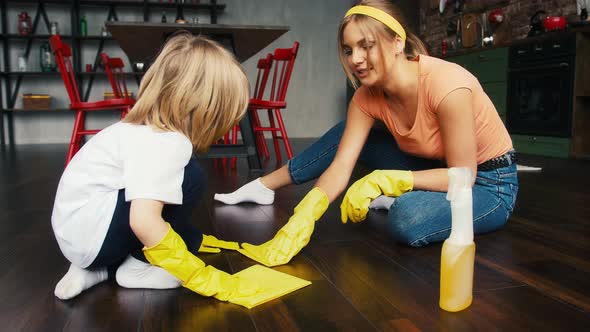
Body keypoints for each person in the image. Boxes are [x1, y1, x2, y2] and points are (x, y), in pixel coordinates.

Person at [215, 0, 518, 267]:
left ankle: (405, 195)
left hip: (487, 185)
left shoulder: (448, 85)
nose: (355, 59)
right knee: (343, 134)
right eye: (348, 50)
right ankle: (262, 186)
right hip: (434, 168)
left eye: (366, 46)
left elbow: (464, 176)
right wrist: (305, 213)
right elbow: (340, 167)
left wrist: (384, 179)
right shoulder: (365, 98)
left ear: (398, 42)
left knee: (407, 219)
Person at [51, 33, 259, 303]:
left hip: (76, 238)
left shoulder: (137, 130)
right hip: (96, 240)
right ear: (206, 110)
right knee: (191, 177)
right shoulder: (169, 143)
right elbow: (143, 221)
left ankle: (96, 269)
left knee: (166, 185)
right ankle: (136, 268)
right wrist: (195, 273)